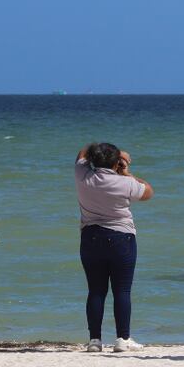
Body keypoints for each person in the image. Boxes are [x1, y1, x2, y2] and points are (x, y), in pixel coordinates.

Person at [75, 142, 154, 353]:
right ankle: (122, 338)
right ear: (116, 162)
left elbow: (82, 153)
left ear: (93, 159)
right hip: (121, 238)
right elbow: (148, 192)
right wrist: (127, 171)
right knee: (122, 290)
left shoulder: (83, 175)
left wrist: (101, 152)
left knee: (96, 291)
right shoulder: (125, 183)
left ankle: (94, 340)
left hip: (91, 237)